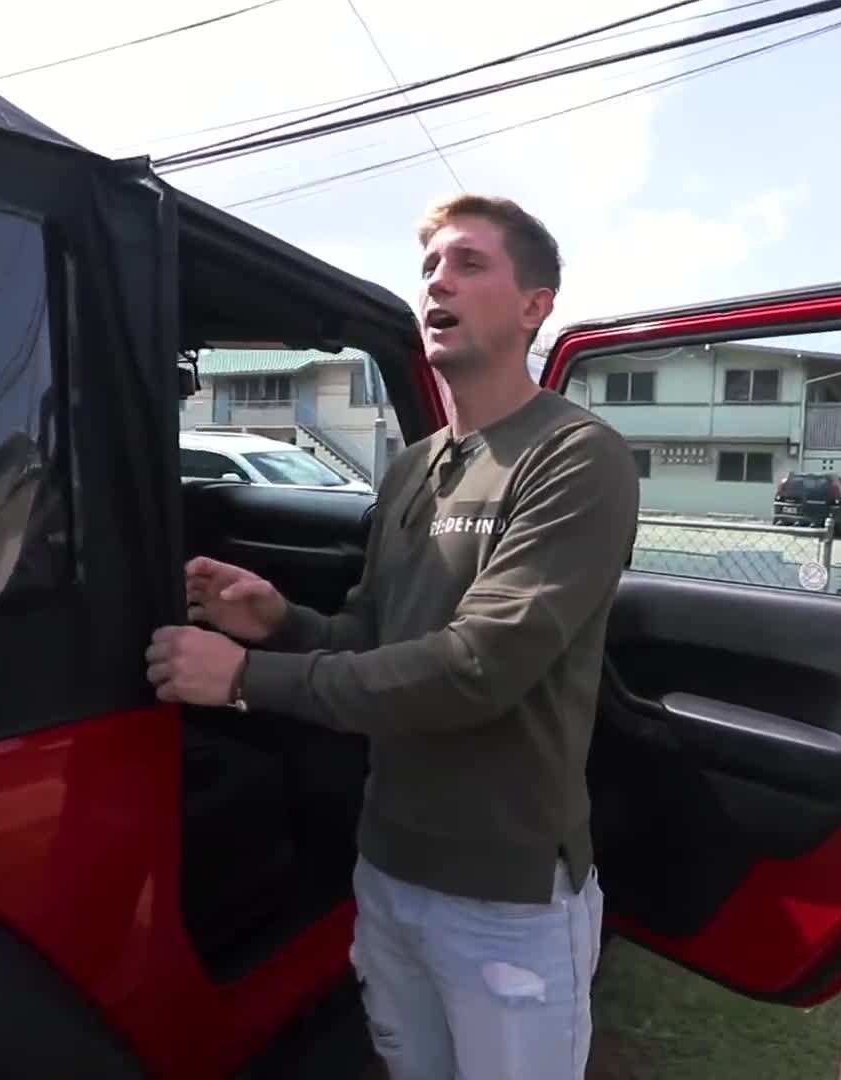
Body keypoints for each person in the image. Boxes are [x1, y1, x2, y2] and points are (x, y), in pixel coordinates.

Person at [145, 193, 640, 1079]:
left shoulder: (575, 455)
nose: (437, 282)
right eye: (429, 268)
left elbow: (477, 670)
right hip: (387, 868)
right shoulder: (413, 466)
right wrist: (283, 622)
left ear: (536, 305)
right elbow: (372, 632)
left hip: (507, 896)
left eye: (469, 264)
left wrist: (248, 677)